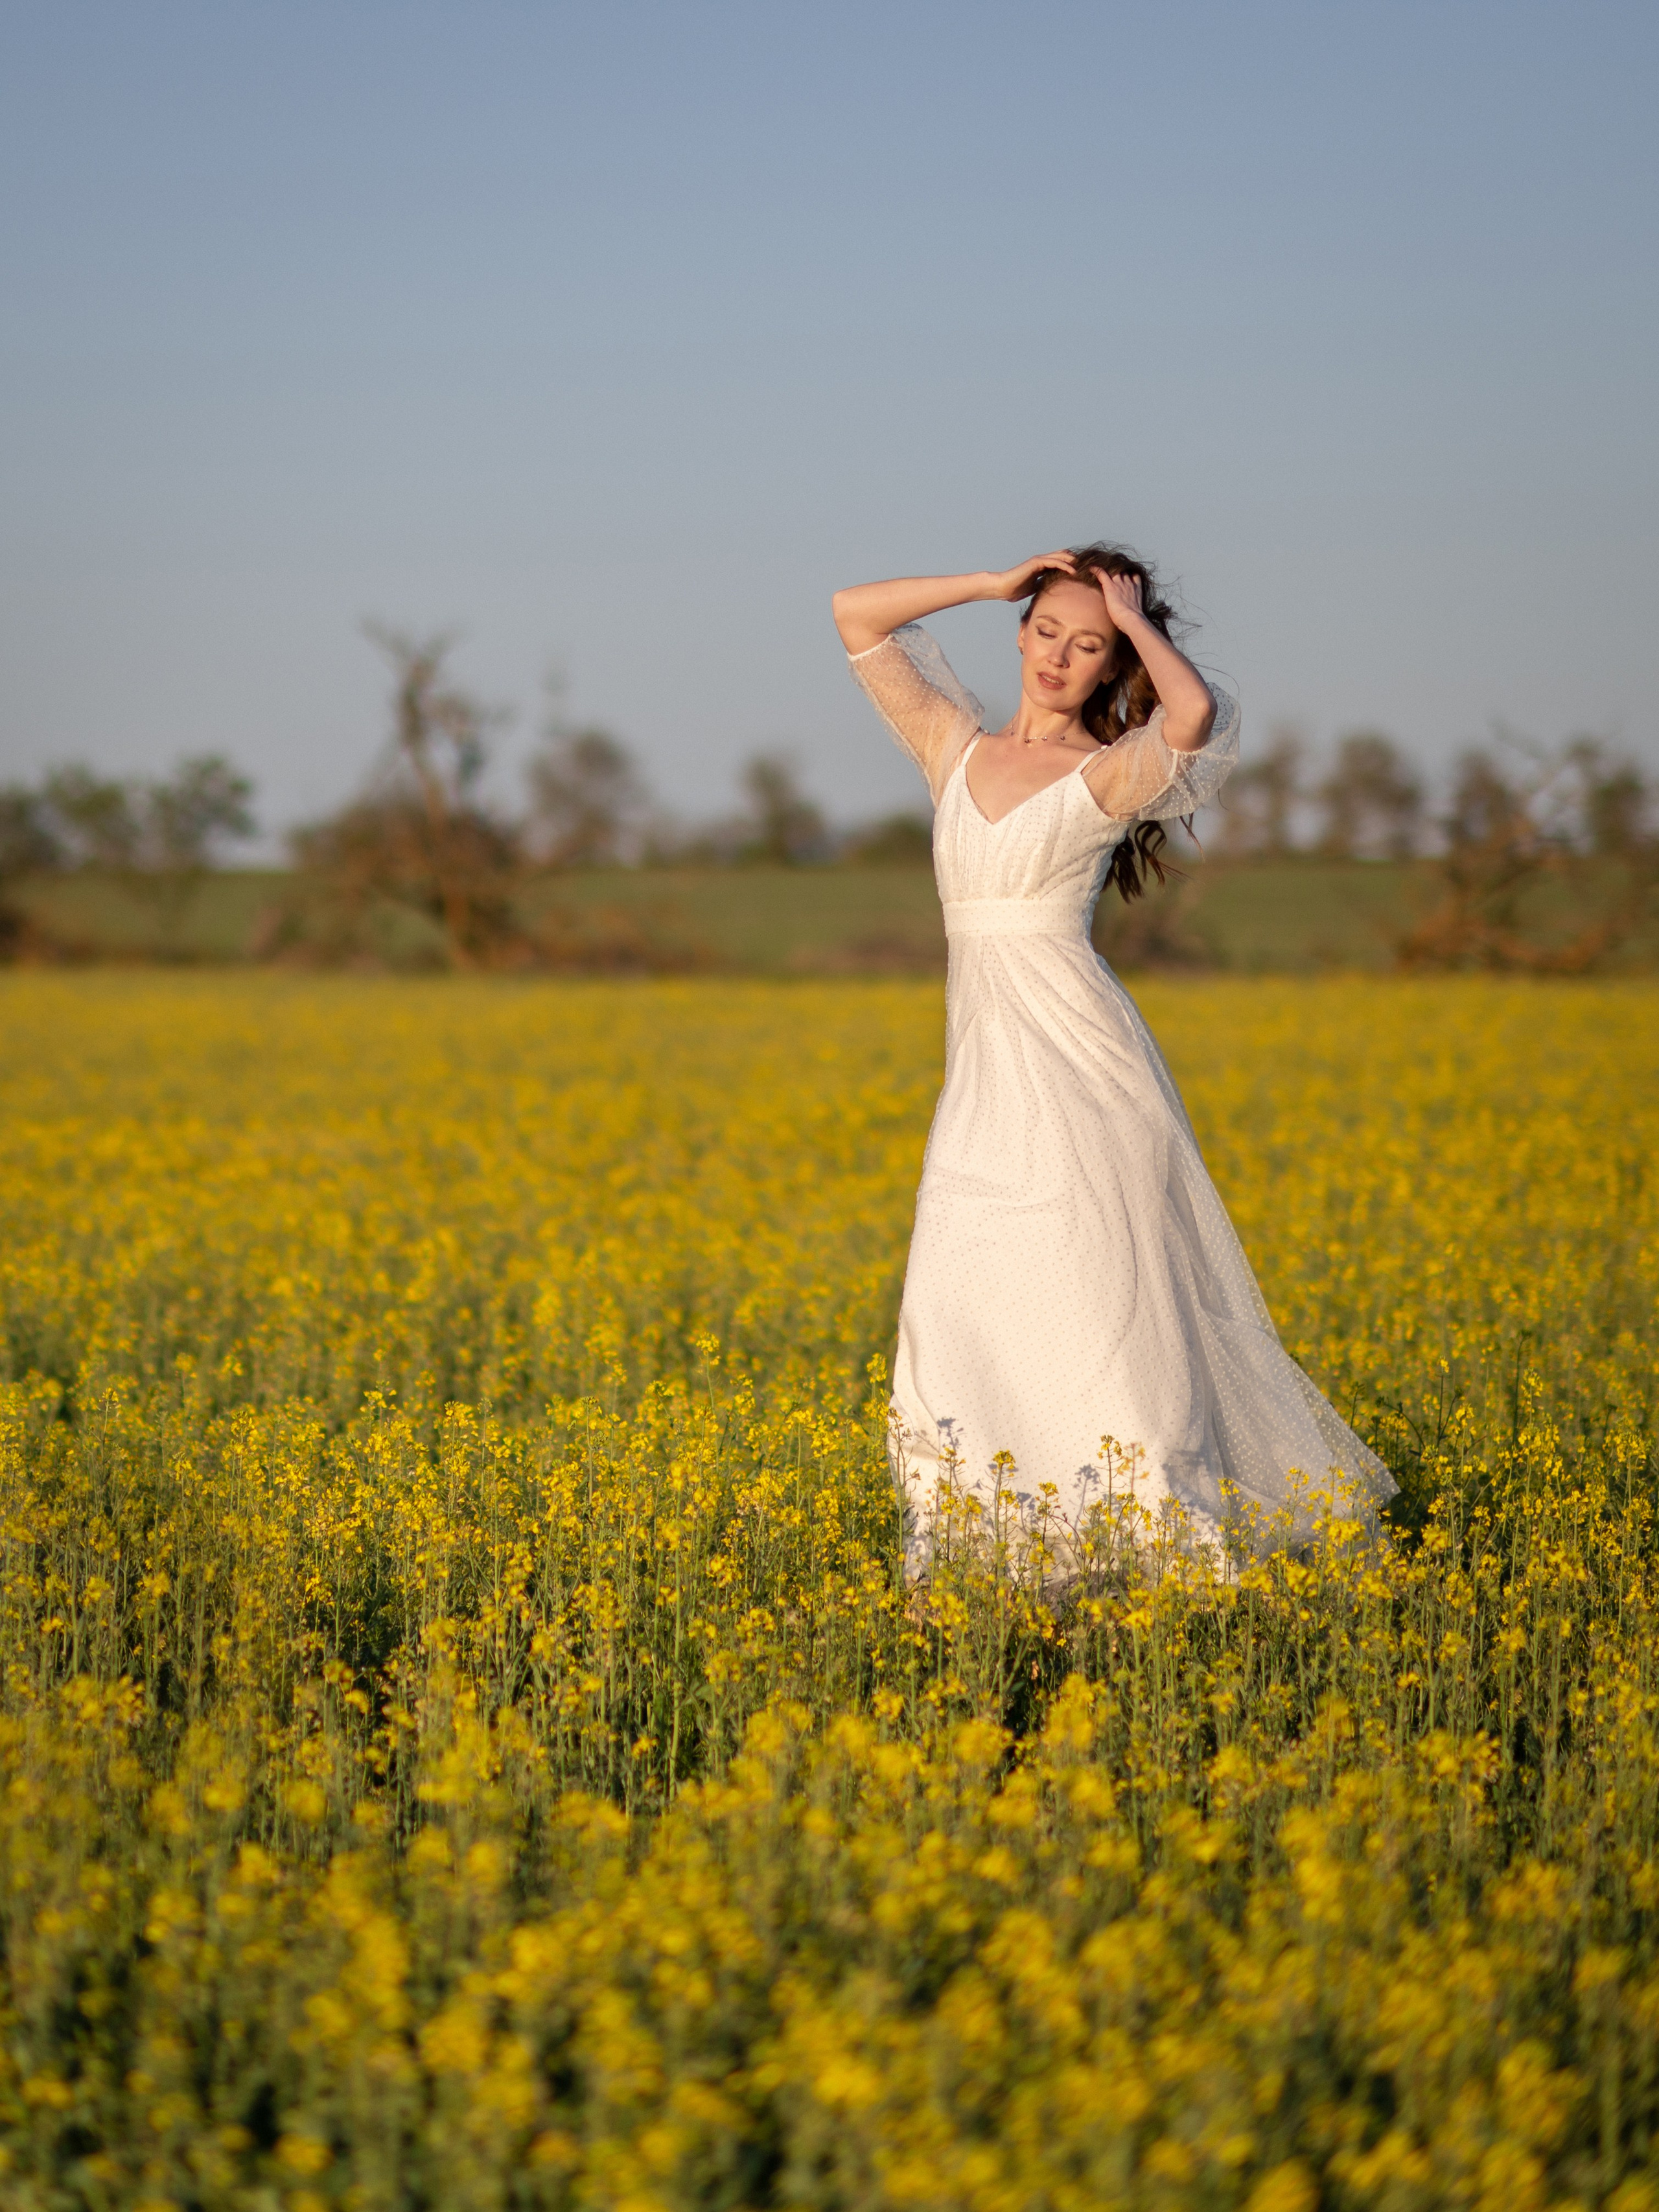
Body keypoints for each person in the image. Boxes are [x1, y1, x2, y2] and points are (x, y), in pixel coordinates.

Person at [833, 544, 1393, 1572]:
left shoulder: (1106, 772)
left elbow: (1191, 721)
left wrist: (1138, 628)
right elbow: (855, 616)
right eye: (1046, 631)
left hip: (1086, 1078)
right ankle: (971, 1540)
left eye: (1086, 646)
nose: (1058, 657)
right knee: (954, 1304)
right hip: (982, 1087)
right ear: (1020, 634)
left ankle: (1152, 1550)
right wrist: (995, 580)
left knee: (1101, 1312)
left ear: (1108, 665)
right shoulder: (949, 747)